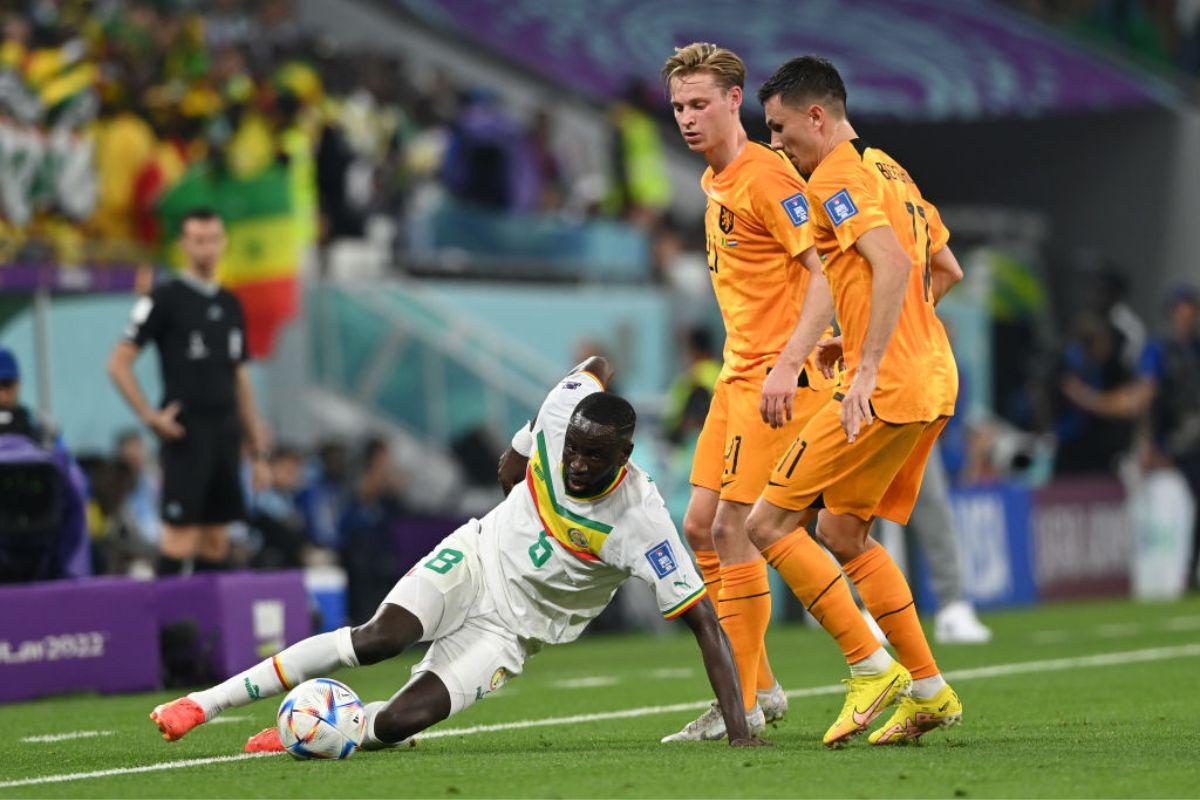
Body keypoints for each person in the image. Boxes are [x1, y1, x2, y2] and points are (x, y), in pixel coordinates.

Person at [150, 357, 763, 750]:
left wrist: (741, 735)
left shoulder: (643, 520)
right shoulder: (562, 407)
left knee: (392, 726)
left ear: (623, 458)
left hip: (513, 633)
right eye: (572, 448)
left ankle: (304, 733)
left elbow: (703, 623)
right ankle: (202, 704)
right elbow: (583, 382)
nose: (575, 463)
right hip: (475, 558)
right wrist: (516, 512)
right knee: (376, 639)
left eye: (593, 457)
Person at [659, 43, 882, 742]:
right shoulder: (716, 179)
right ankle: (758, 689)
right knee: (699, 528)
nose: (688, 119)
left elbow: (823, 273)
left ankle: (761, 697)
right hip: (736, 374)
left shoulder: (767, 177)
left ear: (734, 101)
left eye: (700, 104)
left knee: (740, 529)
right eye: (677, 108)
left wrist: (788, 364)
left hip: (776, 378)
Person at [746, 56, 964, 745]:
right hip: (932, 379)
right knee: (842, 533)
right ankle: (928, 689)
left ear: (817, 115)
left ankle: (872, 668)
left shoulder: (837, 176)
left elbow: (894, 264)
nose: (775, 142)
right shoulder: (891, 169)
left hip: (888, 387)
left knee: (767, 525)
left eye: (780, 128)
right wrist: (870, 337)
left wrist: (867, 366)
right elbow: (944, 269)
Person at [107, 208, 270, 576]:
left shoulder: (231, 303)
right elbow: (118, 362)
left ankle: (212, 631)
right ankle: (168, 632)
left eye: (213, 239)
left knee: (217, 540)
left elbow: (240, 378)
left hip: (225, 434)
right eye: (198, 240)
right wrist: (149, 415)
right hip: (185, 434)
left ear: (223, 242)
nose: (206, 248)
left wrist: (258, 450)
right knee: (179, 538)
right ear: (184, 245)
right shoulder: (165, 297)